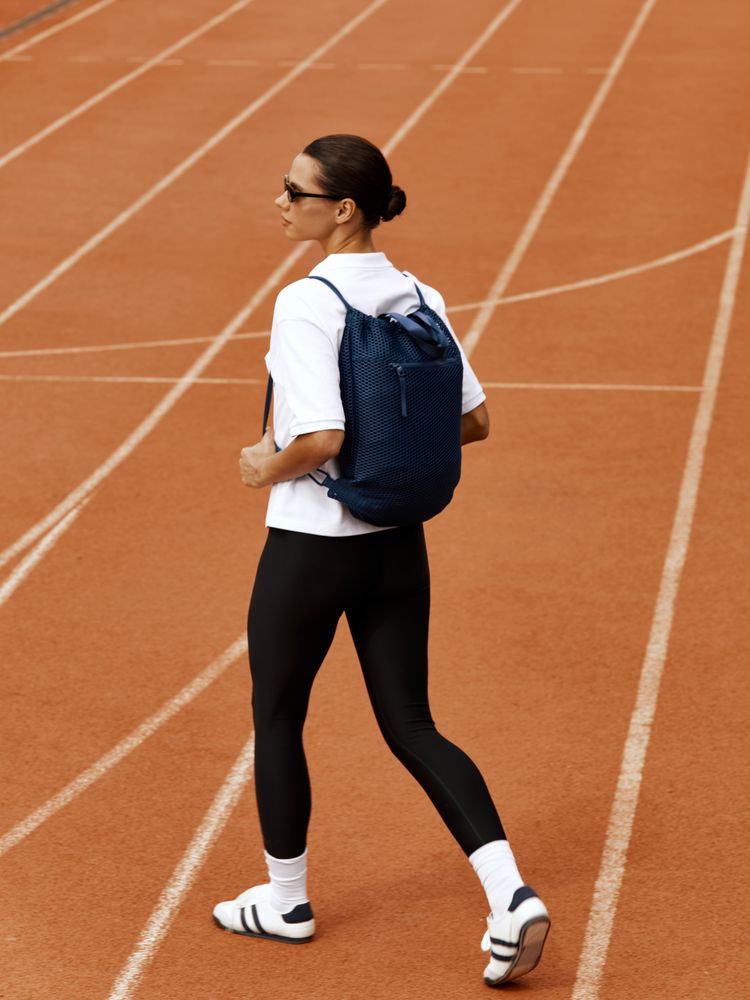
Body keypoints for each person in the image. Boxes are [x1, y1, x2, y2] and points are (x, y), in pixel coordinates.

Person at [212, 134, 550, 987]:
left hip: (311, 547)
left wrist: (263, 467)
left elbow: (320, 438)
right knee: (412, 724)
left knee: (278, 714)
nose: (281, 201)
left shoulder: (307, 300)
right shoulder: (419, 295)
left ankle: (286, 901)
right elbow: (474, 422)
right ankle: (510, 895)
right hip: (398, 543)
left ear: (342, 209)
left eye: (295, 191)